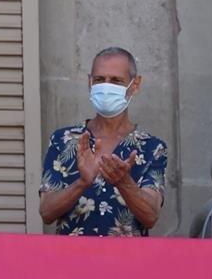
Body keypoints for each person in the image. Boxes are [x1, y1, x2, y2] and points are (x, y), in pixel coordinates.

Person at [39, 46, 167, 236]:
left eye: (116, 81)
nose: (106, 86)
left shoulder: (151, 147)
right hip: (71, 261)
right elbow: (46, 212)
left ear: (135, 85)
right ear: (89, 82)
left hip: (126, 262)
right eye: (99, 80)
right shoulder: (63, 140)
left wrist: (124, 182)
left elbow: (151, 216)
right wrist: (82, 183)